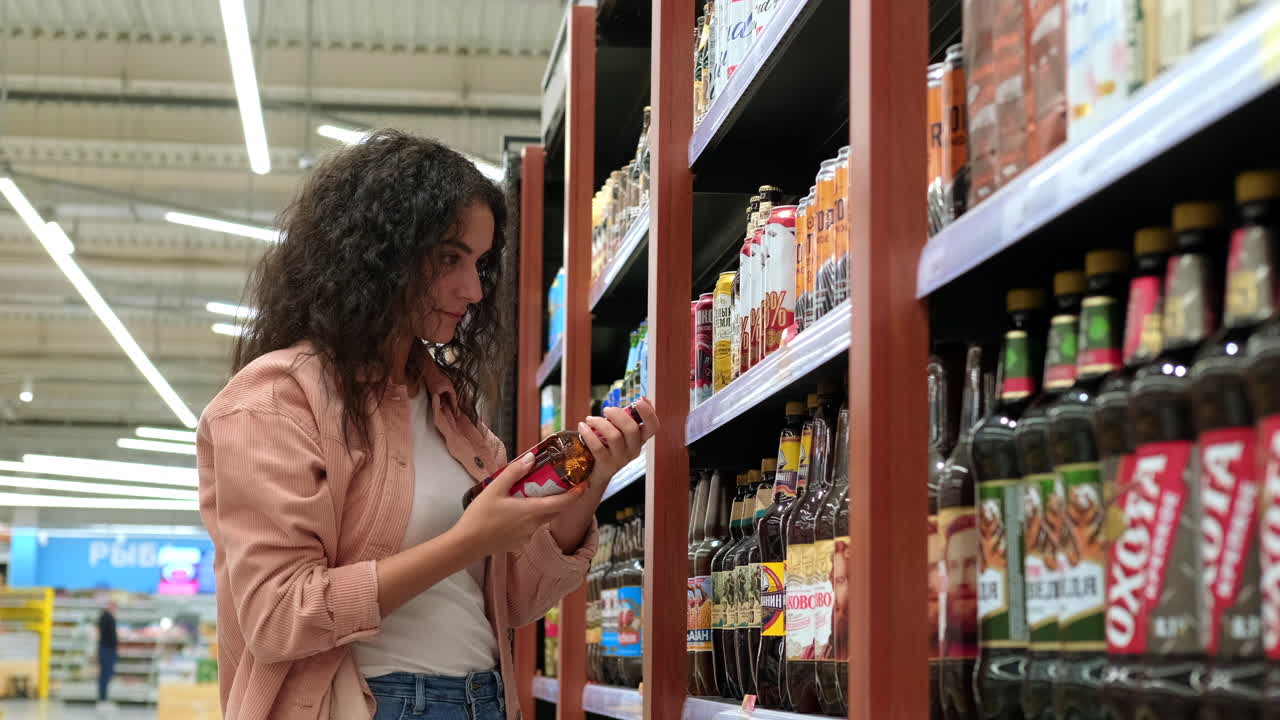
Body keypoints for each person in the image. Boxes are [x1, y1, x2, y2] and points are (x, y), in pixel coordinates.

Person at [197, 130, 658, 720]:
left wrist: (589, 484)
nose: (472, 290)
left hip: (484, 701)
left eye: (481, 264)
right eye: (449, 258)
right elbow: (278, 616)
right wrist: (467, 540)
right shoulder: (277, 400)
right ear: (379, 252)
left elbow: (513, 599)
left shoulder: (452, 415)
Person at [96, 601, 117, 711]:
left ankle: (103, 697)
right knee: (105, 674)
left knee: (106, 674)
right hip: (106, 649)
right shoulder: (106, 618)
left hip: (106, 649)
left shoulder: (106, 617)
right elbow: (101, 634)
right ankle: (102, 698)